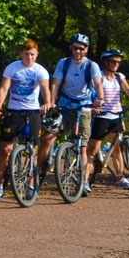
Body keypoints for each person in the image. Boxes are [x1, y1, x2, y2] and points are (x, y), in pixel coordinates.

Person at [0, 40, 53, 200]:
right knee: (6, 149)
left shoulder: (41, 71)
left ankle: (31, 186)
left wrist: (47, 102)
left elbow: (45, 88)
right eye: (26, 54)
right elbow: (4, 88)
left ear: (36, 55)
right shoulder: (12, 68)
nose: (29, 57)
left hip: (33, 111)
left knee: (32, 149)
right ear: (21, 54)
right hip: (14, 111)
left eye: (32, 54)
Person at [50, 33, 105, 193]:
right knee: (50, 135)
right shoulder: (64, 63)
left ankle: (84, 181)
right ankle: (44, 166)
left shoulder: (91, 66)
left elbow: (97, 83)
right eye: (75, 48)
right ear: (70, 48)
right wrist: (52, 101)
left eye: (81, 49)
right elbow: (56, 83)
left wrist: (100, 99)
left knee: (83, 146)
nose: (78, 51)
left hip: (84, 105)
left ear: (86, 50)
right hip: (65, 104)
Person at [85, 49, 129, 189]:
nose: (116, 65)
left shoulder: (119, 77)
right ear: (105, 62)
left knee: (117, 148)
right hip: (101, 116)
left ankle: (120, 179)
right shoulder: (98, 77)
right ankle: (85, 181)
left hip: (116, 115)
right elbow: (90, 93)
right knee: (92, 150)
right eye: (113, 62)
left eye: (118, 62)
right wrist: (92, 106)